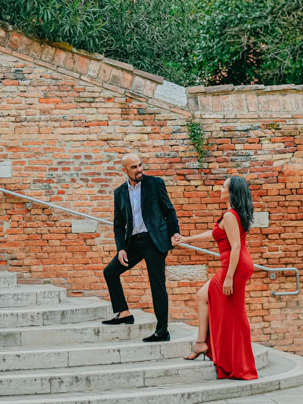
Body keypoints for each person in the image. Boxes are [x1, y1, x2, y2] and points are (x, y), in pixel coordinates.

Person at [176, 176, 258, 380]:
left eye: (223, 186)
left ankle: (243, 365)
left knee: (237, 313)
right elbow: (214, 234)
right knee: (203, 296)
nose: (219, 188)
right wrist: (186, 239)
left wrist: (229, 277)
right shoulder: (232, 215)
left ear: (231, 192)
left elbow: (236, 246)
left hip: (234, 266)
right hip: (235, 264)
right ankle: (202, 343)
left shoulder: (230, 215)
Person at [102, 153, 180, 342]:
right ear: (125, 170)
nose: (139, 170)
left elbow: (169, 211)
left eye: (140, 165)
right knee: (110, 272)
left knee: (157, 286)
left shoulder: (155, 184)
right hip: (133, 243)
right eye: (134, 167)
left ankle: (162, 331)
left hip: (154, 242)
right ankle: (124, 313)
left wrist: (174, 233)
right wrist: (121, 248)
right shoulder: (120, 192)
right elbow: (118, 224)